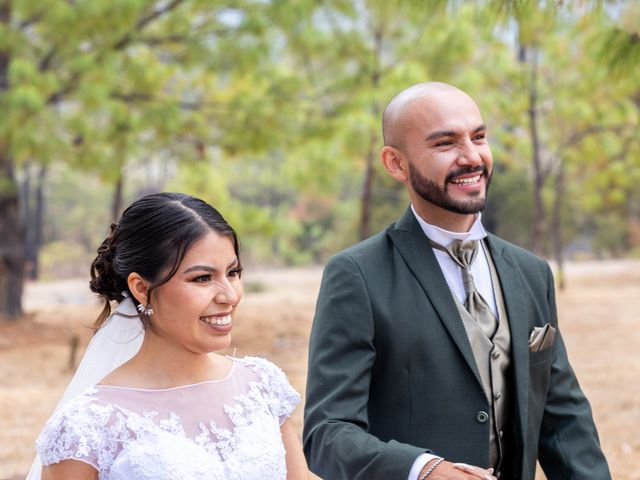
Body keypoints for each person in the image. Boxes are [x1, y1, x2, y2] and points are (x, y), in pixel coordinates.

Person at [303, 82, 611, 480]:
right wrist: (422, 470)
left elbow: (564, 421)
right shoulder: (357, 274)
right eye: (445, 143)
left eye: (479, 137)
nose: (472, 157)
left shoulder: (531, 272)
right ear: (396, 163)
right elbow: (327, 433)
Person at [31, 192, 309, 480]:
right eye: (202, 278)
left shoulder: (261, 386)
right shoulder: (87, 426)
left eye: (233, 272)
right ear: (141, 288)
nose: (229, 295)